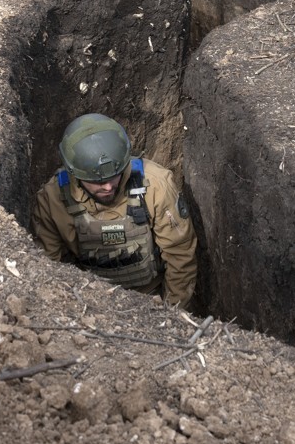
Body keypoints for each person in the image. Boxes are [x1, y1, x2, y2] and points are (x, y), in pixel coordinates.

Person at [33, 113, 198, 307]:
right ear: (74, 174)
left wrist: (172, 315)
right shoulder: (53, 199)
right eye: (98, 182)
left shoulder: (156, 185)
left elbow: (180, 255)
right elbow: (47, 266)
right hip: (89, 305)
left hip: (150, 300)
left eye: (114, 176)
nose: (108, 187)